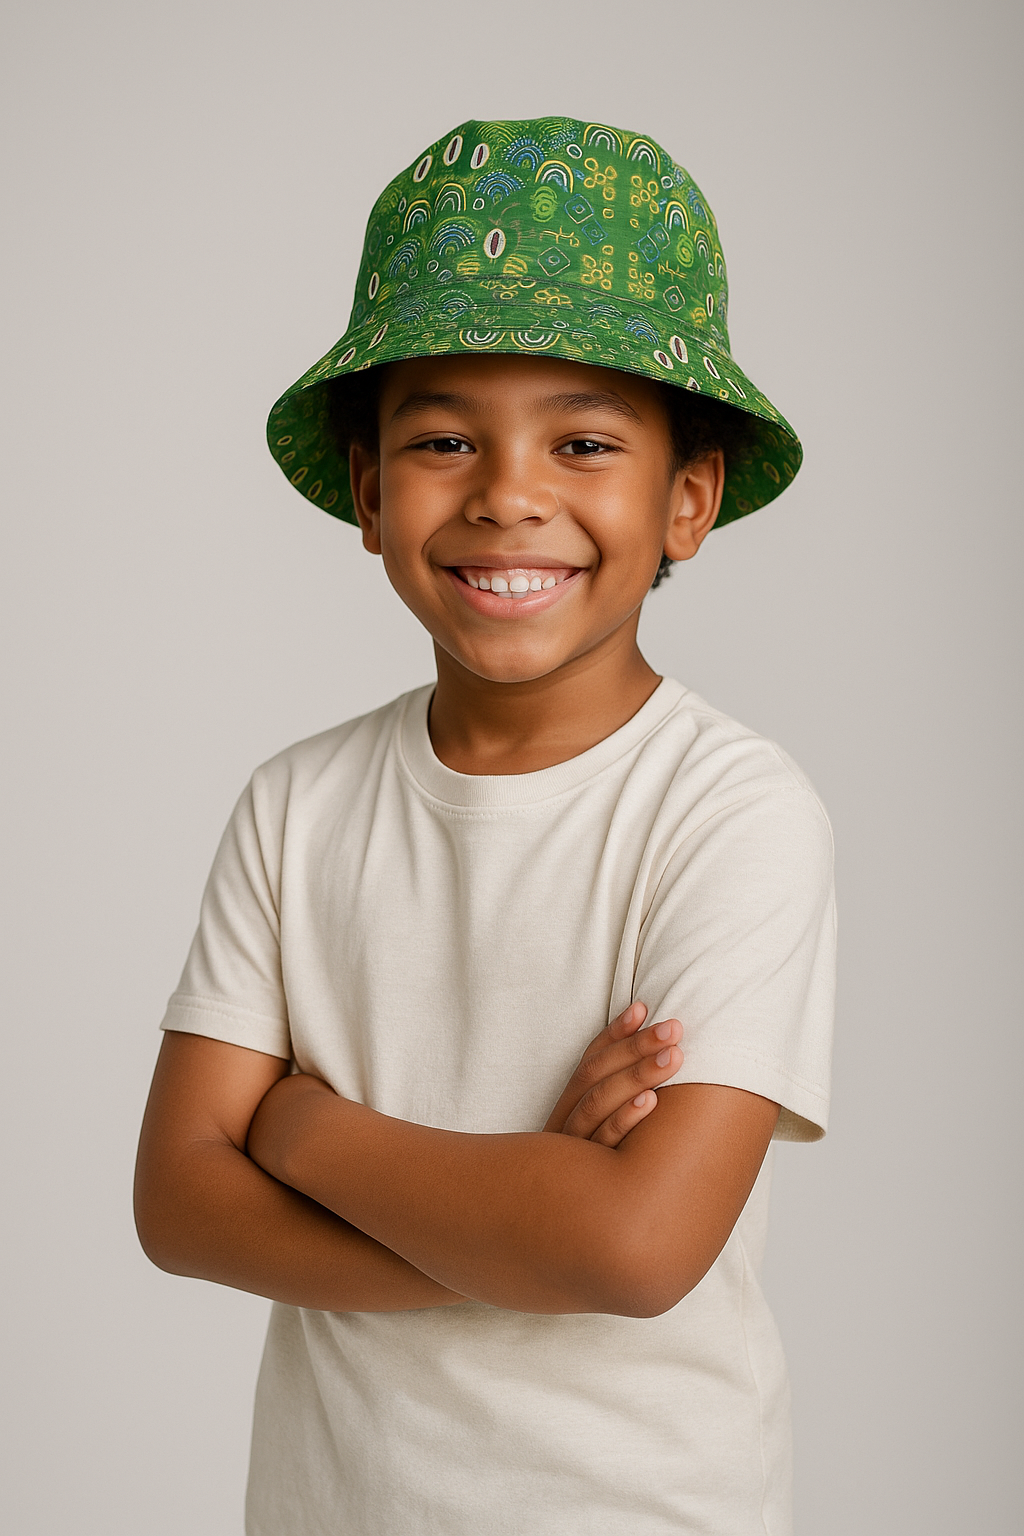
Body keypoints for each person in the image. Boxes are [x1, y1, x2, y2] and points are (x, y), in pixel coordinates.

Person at [134, 116, 835, 1536]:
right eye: (445, 438)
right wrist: (527, 1211)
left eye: (583, 441)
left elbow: (635, 1249)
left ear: (686, 500)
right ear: (373, 493)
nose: (509, 493)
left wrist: (305, 1127)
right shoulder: (298, 805)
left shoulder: (731, 809)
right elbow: (177, 1205)